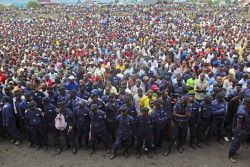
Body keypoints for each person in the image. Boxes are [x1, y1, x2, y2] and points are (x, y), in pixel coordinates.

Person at [228, 98, 250, 163]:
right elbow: (238, 123)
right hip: (239, 130)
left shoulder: (244, 107)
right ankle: (230, 156)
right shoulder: (242, 112)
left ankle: (234, 152)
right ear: (247, 103)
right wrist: (240, 132)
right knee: (236, 142)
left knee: (239, 142)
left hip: (244, 128)